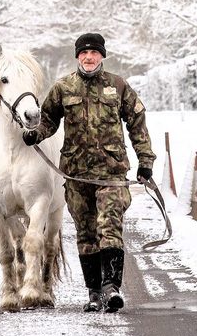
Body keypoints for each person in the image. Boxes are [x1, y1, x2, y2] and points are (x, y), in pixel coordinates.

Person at [23, 32, 155, 312]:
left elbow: (137, 123)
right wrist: (36, 135)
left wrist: (145, 161)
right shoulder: (63, 87)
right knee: (85, 234)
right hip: (76, 174)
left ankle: (111, 289)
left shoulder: (118, 86)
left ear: (102, 56)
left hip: (111, 173)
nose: (89, 57)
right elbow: (47, 120)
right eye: (84, 53)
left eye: (94, 52)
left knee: (109, 228)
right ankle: (94, 293)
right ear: (77, 57)